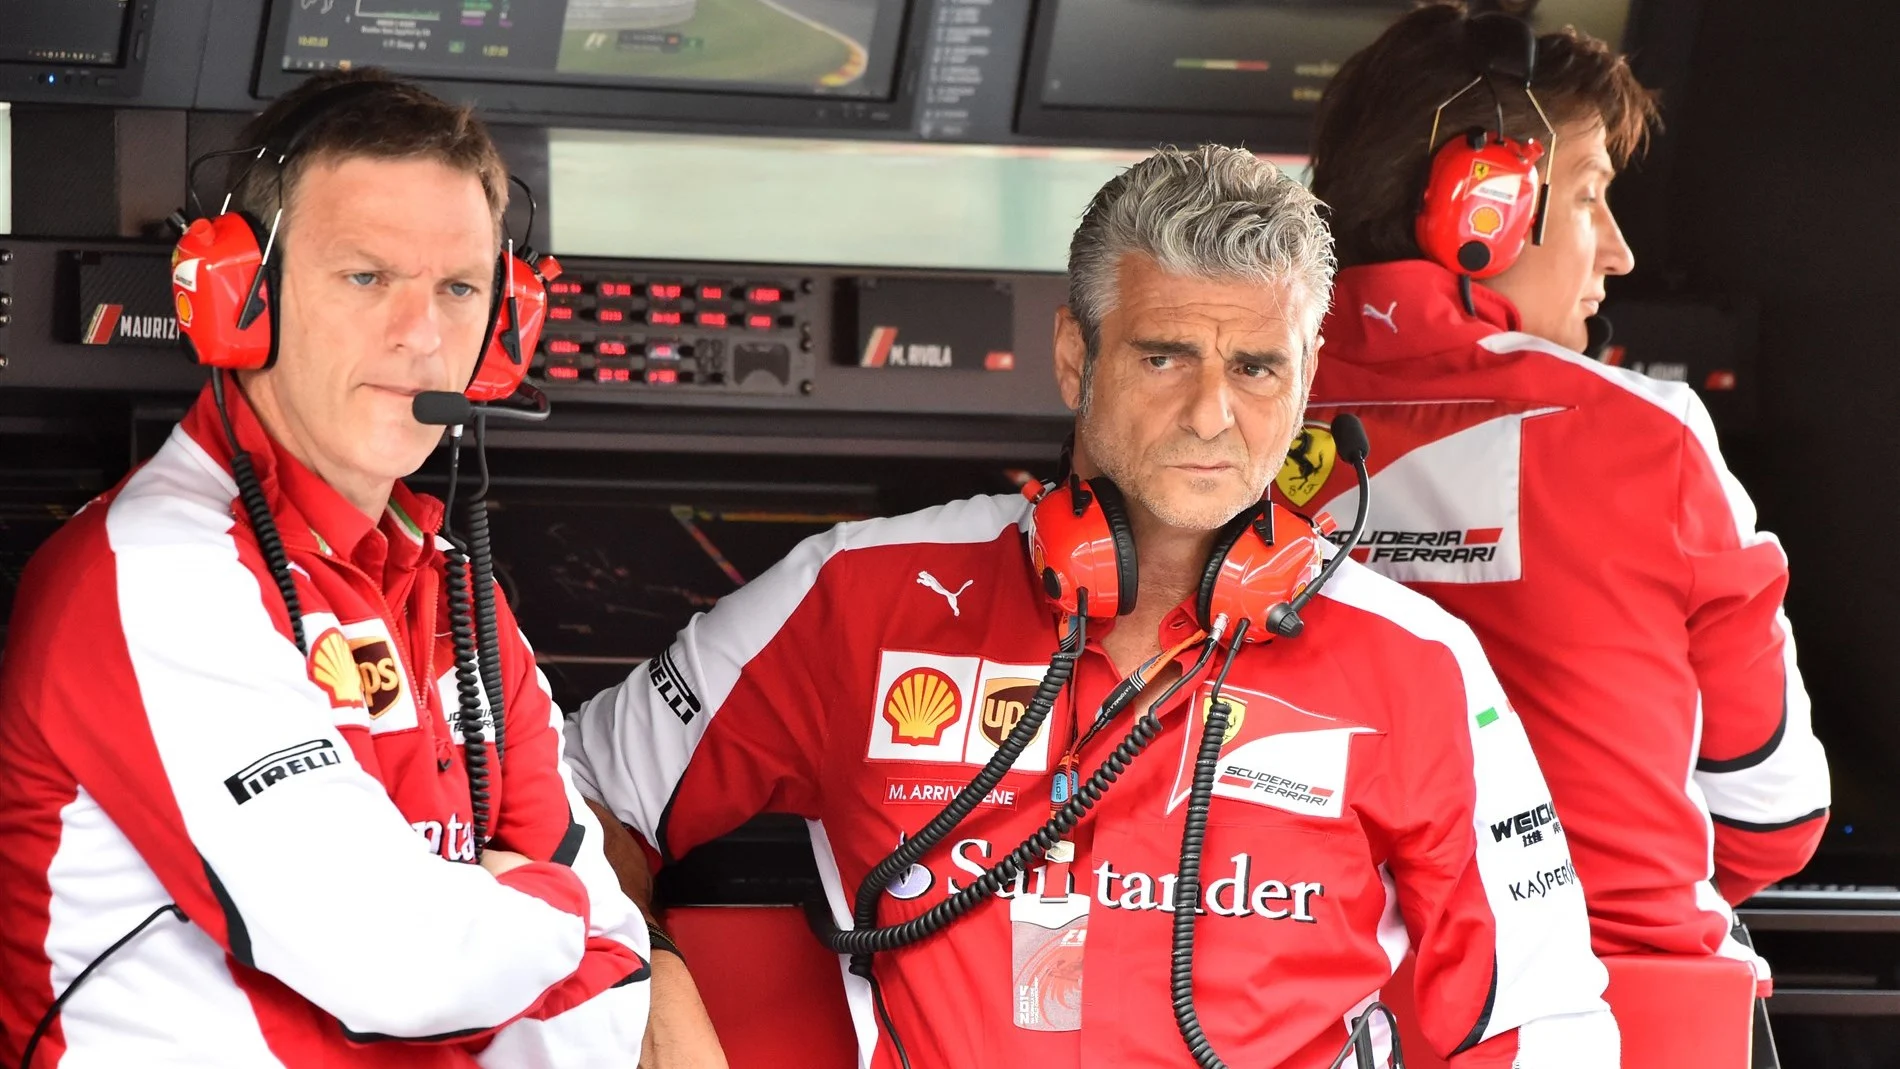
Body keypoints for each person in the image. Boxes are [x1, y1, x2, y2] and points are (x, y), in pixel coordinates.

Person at [568, 145, 1619, 1067]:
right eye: (1164, 355)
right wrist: (649, 988)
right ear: (1076, 354)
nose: (1212, 413)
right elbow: (569, 787)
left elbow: (1544, 1024)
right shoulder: (856, 591)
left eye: (1256, 366)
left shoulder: (1418, 664)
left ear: (1304, 386)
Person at [0, 70, 697, 1066]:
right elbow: (400, 962)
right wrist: (546, 904)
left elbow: (612, 965)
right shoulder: (154, 573)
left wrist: (504, 920)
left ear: (506, 328)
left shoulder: (457, 589)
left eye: (458, 288)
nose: (422, 334)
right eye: (366, 276)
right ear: (242, 299)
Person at [1296, 2, 1830, 967]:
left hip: (1292, 1013)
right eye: (1588, 195)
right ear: (1479, 206)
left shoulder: (1221, 433)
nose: (1617, 251)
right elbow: (1772, 810)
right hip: (1621, 1006)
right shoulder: (1647, 435)